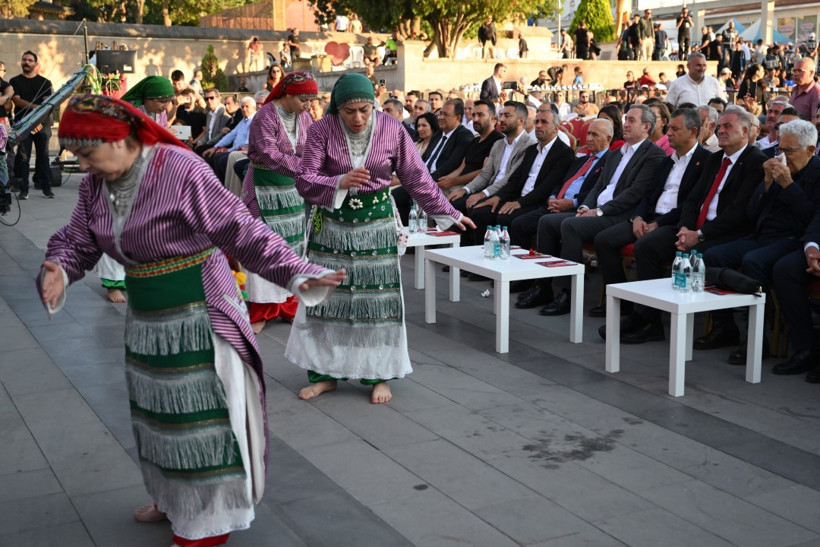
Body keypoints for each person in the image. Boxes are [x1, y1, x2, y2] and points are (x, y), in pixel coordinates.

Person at [40, 93, 344, 547]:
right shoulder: (95, 187)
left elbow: (242, 229)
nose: (84, 167)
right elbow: (79, 238)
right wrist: (60, 268)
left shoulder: (180, 170)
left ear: (119, 138)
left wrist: (299, 271)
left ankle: (205, 523)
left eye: (87, 154)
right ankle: (173, 499)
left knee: (198, 419)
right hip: (147, 323)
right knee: (156, 417)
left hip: (200, 314)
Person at [285, 73, 476, 404]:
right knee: (329, 301)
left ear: (373, 105)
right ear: (336, 109)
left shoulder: (392, 129)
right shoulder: (320, 131)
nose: (357, 118)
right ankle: (324, 374)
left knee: (378, 301)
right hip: (332, 226)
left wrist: (449, 212)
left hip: (376, 224)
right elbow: (305, 181)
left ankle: (379, 375)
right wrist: (339, 182)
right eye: (349, 111)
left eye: (364, 109)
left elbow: (416, 177)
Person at [700, 119, 820, 363]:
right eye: (780, 149)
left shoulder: (816, 173)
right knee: (712, 255)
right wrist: (766, 184)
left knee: (754, 262)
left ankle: (756, 339)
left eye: (789, 151)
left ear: (810, 150)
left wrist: (788, 186)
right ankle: (725, 327)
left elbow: (810, 219)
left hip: (793, 238)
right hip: (763, 236)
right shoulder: (778, 169)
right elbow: (752, 213)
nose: (783, 156)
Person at [593, 108, 710, 340]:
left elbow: (690, 203)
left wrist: (659, 223)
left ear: (693, 131)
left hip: (676, 223)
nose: (669, 133)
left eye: (675, 129)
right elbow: (648, 194)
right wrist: (638, 217)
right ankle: (625, 303)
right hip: (650, 218)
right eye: (668, 129)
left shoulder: (704, 161)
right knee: (604, 239)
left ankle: (649, 321)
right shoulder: (668, 161)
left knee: (646, 246)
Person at [240, 72, 318, 333]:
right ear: (288, 94)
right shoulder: (265, 116)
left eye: (311, 100)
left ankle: (286, 302)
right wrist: (304, 167)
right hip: (263, 186)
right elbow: (269, 153)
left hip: (291, 189)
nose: (308, 106)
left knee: (293, 244)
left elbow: (309, 149)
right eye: (304, 100)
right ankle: (262, 308)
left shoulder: (304, 117)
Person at [10, 50, 54, 200]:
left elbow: (48, 104)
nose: (26, 62)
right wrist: (35, 108)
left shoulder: (45, 82)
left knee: (44, 156)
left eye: (30, 60)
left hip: (42, 125)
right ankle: (24, 190)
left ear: (36, 64)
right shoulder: (15, 81)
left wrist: (38, 121)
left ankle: (46, 188)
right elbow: (16, 100)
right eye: (24, 60)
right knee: (23, 157)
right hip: (23, 125)